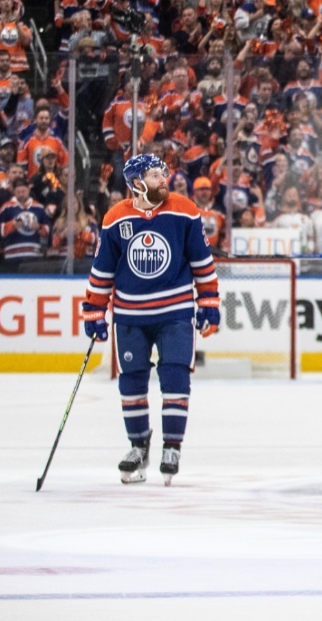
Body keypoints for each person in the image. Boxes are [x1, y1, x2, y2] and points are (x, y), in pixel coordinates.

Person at [83, 153, 220, 485]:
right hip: (130, 314)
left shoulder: (184, 209)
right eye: (157, 175)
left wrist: (209, 302)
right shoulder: (116, 218)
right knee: (132, 381)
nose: (165, 180)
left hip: (174, 311)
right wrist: (94, 311)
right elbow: (102, 270)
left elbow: (202, 261)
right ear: (137, 183)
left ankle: (171, 447)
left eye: (164, 174)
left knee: (175, 376)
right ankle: (138, 446)